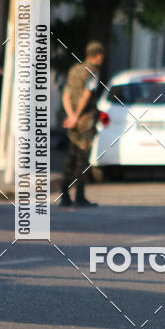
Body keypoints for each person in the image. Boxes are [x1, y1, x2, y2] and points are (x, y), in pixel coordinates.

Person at [60, 41, 105, 207]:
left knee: (70, 157)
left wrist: (70, 116)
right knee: (82, 159)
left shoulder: (74, 70)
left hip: (71, 121)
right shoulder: (93, 72)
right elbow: (87, 95)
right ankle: (79, 196)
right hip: (85, 121)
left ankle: (64, 196)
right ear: (98, 55)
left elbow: (66, 94)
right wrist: (78, 116)